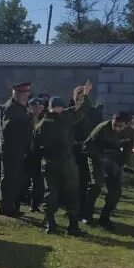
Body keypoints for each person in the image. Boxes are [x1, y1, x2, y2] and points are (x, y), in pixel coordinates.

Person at [31, 86, 92, 235]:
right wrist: (86, 96)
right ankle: (62, 225)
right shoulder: (64, 121)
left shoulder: (42, 124)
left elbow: (35, 147)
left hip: (52, 163)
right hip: (61, 162)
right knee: (59, 194)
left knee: (56, 194)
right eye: (58, 108)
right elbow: (82, 111)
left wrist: (85, 96)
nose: (59, 110)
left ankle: (55, 224)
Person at [83, 111, 133, 229]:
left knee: (115, 191)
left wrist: (125, 164)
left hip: (115, 159)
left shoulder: (129, 132)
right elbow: (88, 146)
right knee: (96, 185)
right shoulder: (102, 128)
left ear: (126, 125)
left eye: (120, 126)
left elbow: (127, 149)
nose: (116, 128)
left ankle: (105, 218)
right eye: (115, 124)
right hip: (97, 157)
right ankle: (86, 215)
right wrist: (100, 159)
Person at [0, 82, 33, 217]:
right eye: (23, 94)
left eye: (27, 94)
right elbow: (9, 129)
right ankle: (5, 207)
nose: (25, 97)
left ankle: (11, 205)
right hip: (11, 149)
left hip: (19, 149)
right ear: (16, 94)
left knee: (16, 179)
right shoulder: (11, 108)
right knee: (9, 179)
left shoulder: (21, 107)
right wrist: (26, 124)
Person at [23, 96, 47, 212]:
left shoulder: (45, 119)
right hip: (25, 153)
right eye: (35, 107)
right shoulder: (25, 118)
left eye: (40, 107)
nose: (38, 109)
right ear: (30, 107)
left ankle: (34, 204)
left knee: (38, 181)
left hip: (38, 153)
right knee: (23, 179)